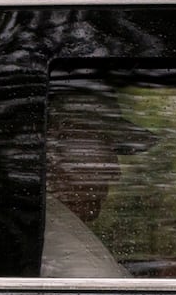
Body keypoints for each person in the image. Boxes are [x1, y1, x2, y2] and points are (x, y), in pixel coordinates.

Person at [40, 91, 157, 278]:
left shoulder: (54, 222)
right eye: (105, 145)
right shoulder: (78, 264)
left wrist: (163, 271)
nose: (115, 173)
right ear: (53, 145)